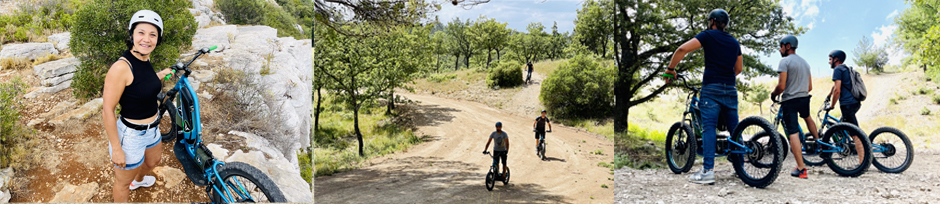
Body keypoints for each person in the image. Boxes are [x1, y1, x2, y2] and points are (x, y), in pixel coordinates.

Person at [664, 8, 743, 185]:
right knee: (734, 128)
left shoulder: (707, 35)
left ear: (712, 21)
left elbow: (682, 49)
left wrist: (670, 70)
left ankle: (708, 171)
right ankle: (741, 167)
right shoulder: (734, 42)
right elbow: (738, 69)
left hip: (711, 88)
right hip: (730, 89)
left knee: (708, 127)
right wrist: (725, 77)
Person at [102, 10, 174, 202]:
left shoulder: (145, 58)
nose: (146, 39)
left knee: (153, 161)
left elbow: (140, 82)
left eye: (153, 35)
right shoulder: (121, 68)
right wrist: (117, 148)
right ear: (132, 34)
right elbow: (108, 110)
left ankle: (138, 180)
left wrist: (161, 74)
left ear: (158, 39)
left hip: (152, 128)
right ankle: (130, 183)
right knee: (122, 183)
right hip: (131, 135)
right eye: (141, 32)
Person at [770, 35, 820, 179]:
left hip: (790, 101)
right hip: (804, 97)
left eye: (781, 46)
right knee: (807, 117)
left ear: (787, 46)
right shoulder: (805, 63)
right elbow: (810, 86)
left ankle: (801, 168)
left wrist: (774, 95)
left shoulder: (784, 61)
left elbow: (781, 86)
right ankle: (819, 143)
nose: (779, 49)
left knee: (793, 132)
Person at [826, 50, 866, 164]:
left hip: (847, 104)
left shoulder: (838, 69)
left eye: (830, 59)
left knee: (855, 134)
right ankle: (857, 148)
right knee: (844, 125)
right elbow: (836, 86)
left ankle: (862, 162)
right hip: (854, 102)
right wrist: (829, 95)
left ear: (836, 59)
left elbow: (837, 90)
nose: (829, 62)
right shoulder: (845, 69)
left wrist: (832, 105)